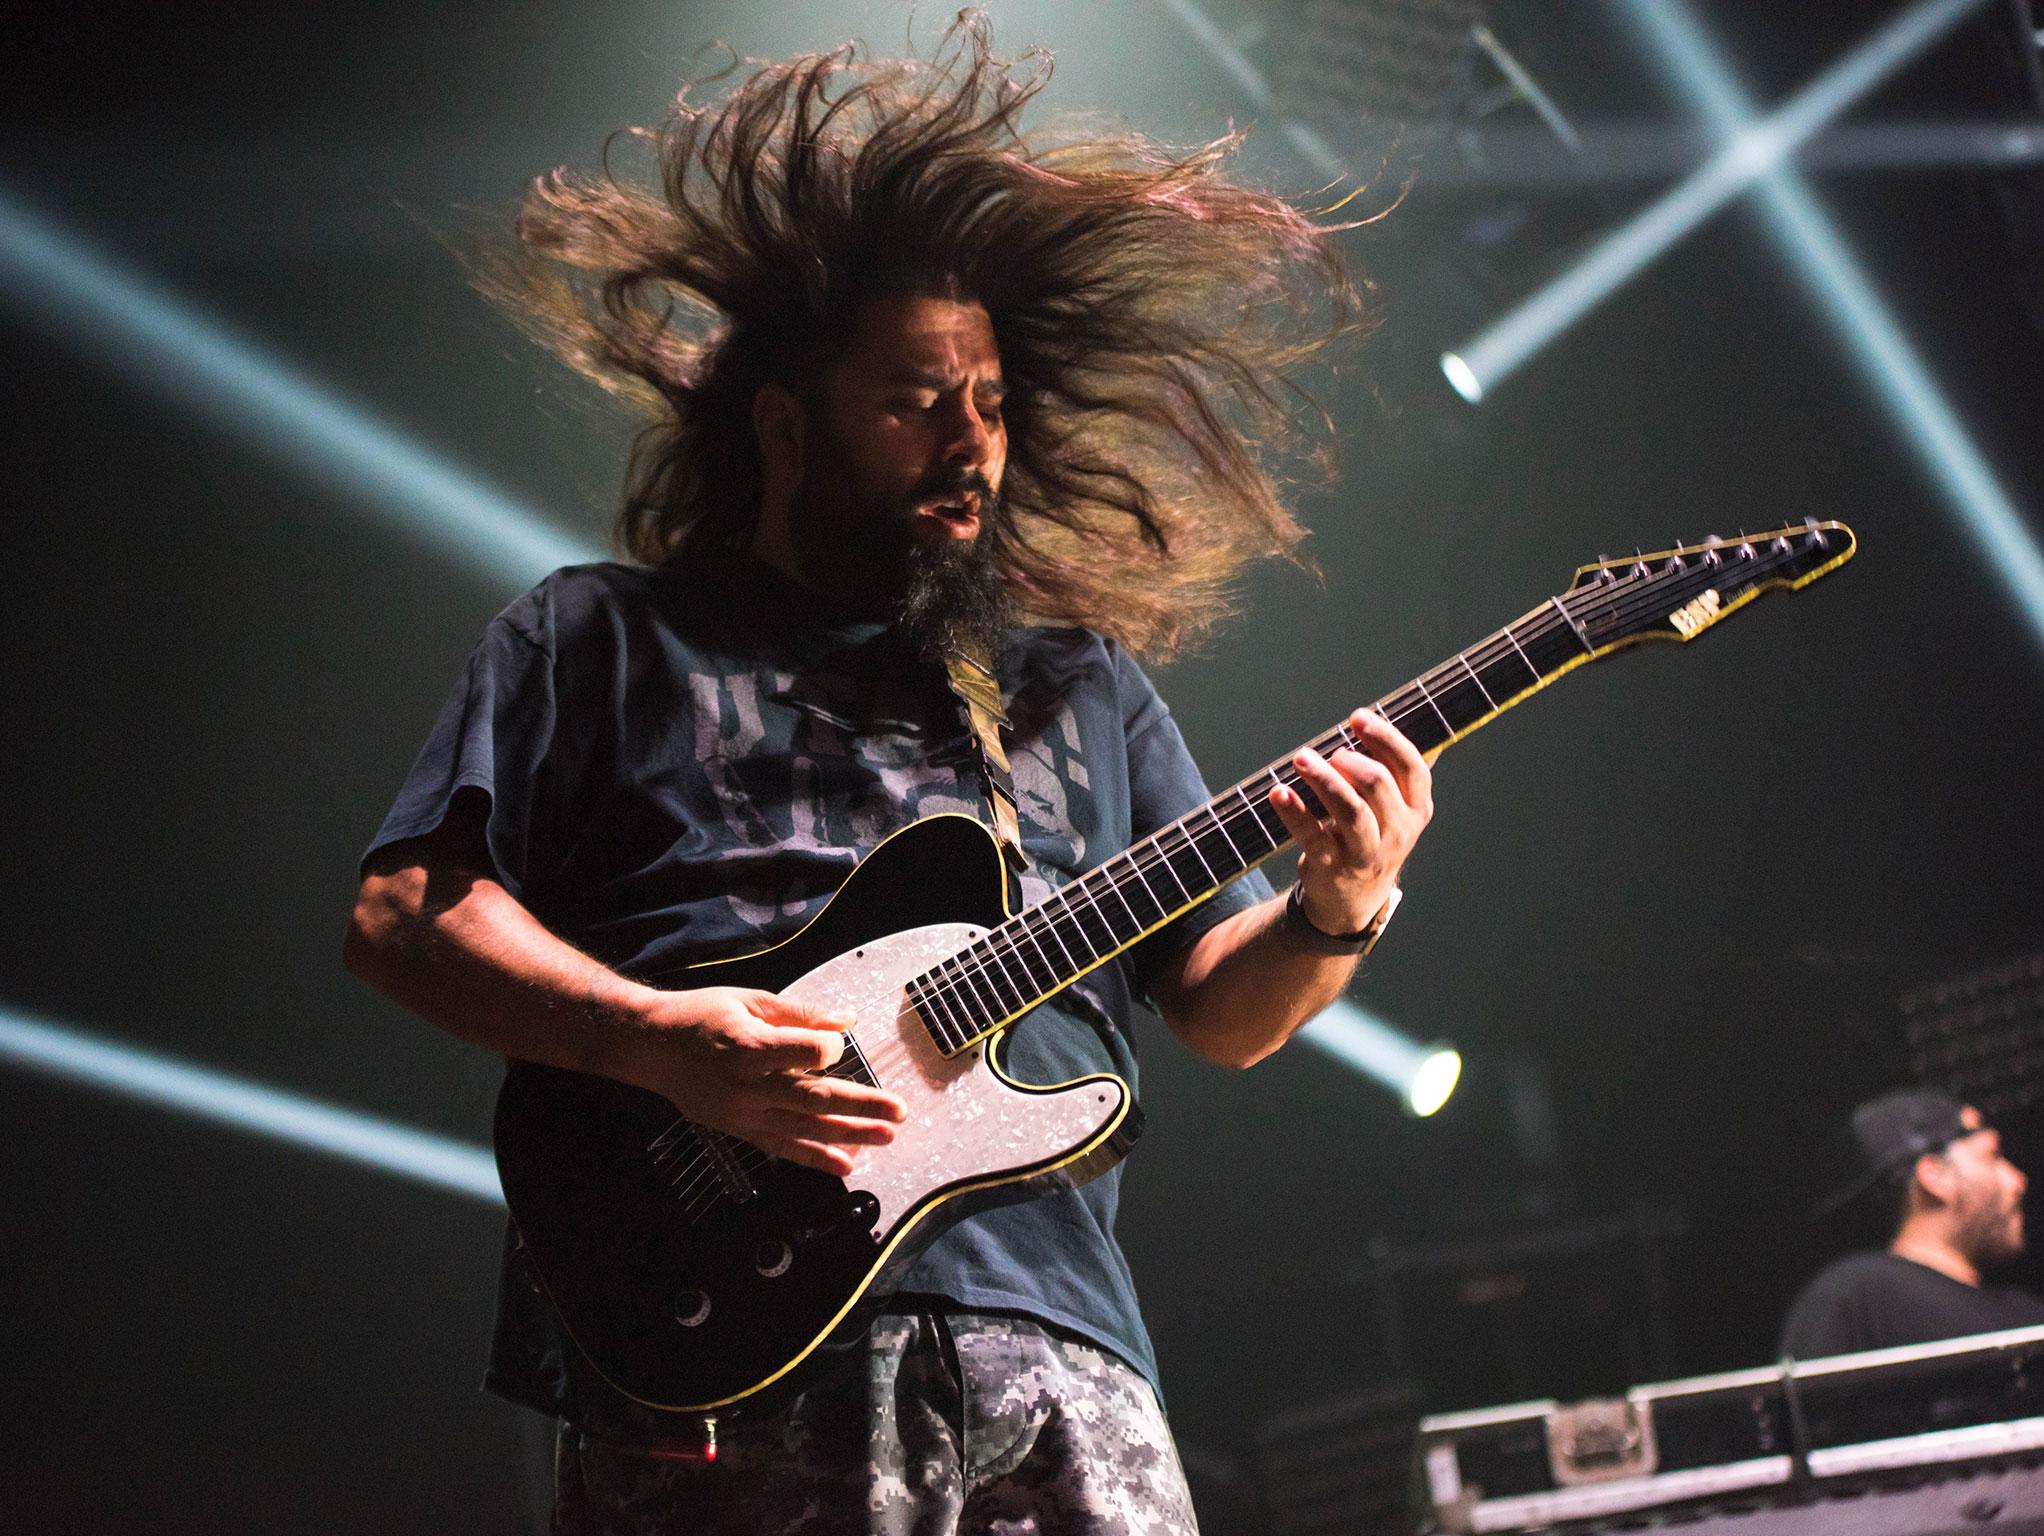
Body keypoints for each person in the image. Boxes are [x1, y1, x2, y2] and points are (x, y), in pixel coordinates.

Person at [344, 18, 1430, 1534]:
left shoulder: (1075, 686)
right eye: (919, 403)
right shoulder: (600, 636)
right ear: (786, 428)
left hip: (1059, 1347)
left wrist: (1340, 907)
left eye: (989, 404)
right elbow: (406, 913)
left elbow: (1222, 1010)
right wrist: (659, 1041)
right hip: (722, 1339)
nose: (971, 446)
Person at [1779, 1087, 2044, 1360]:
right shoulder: (1857, 1298)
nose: (2017, 1181)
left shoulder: (2031, 1316)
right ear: (1936, 1176)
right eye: (1993, 1157)